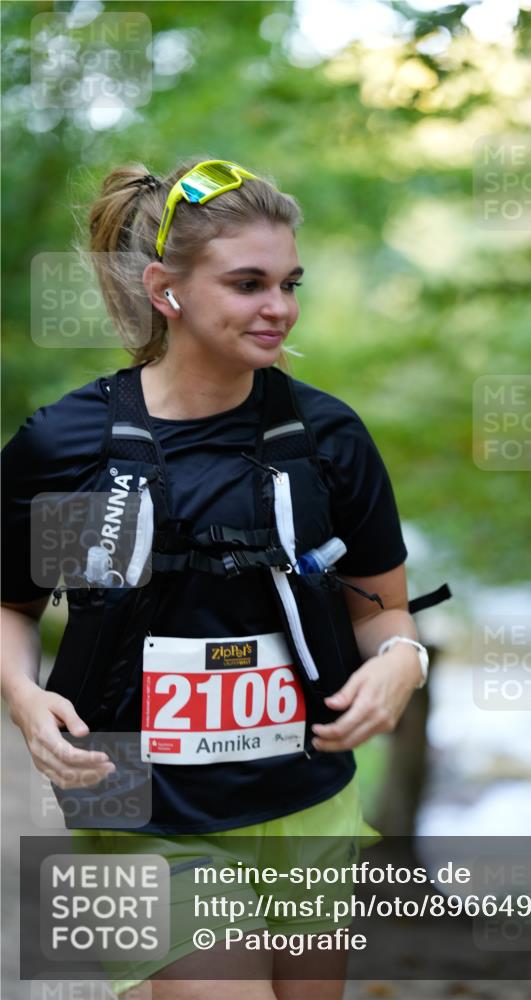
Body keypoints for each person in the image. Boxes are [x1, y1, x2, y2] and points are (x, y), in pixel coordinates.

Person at [1, 158, 443, 1000]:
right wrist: (24, 700)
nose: (279, 307)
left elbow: (386, 617)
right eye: (248, 284)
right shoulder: (67, 446)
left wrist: (400, 663)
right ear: (166, 288)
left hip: (304, 788)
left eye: (288, 282)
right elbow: (9, 603)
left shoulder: (326, 439)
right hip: (126, 788)